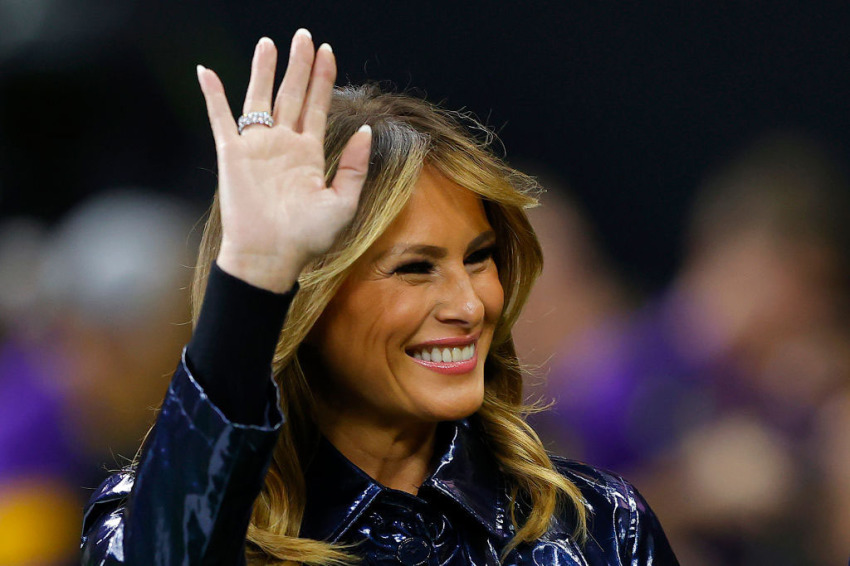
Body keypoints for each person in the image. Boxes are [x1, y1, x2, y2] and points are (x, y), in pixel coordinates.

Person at [79, 30, 678, 565]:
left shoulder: (599, 531)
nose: (469, 305)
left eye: (478, 258)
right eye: (416, 269)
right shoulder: (154, 522)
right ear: (308, 300)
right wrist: (254, 273)